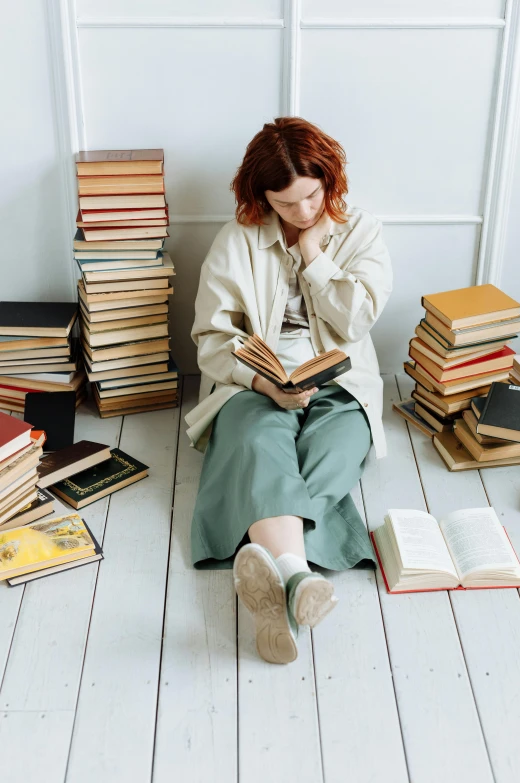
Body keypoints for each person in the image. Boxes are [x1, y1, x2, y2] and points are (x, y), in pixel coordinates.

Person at [185, 117, 393, 665]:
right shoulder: (238, 239)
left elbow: (357, 321)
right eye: (286, 204)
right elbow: (211, 336)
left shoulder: (361, 231)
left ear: (330, 179)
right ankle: (299, 579)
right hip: (255, 382)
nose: (303, 213)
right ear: (263, 198)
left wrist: (316, 255)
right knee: (256, 439)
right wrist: (262, 382)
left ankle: (278, 578)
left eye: (312, 196)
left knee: (331, 458)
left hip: (342, 382)